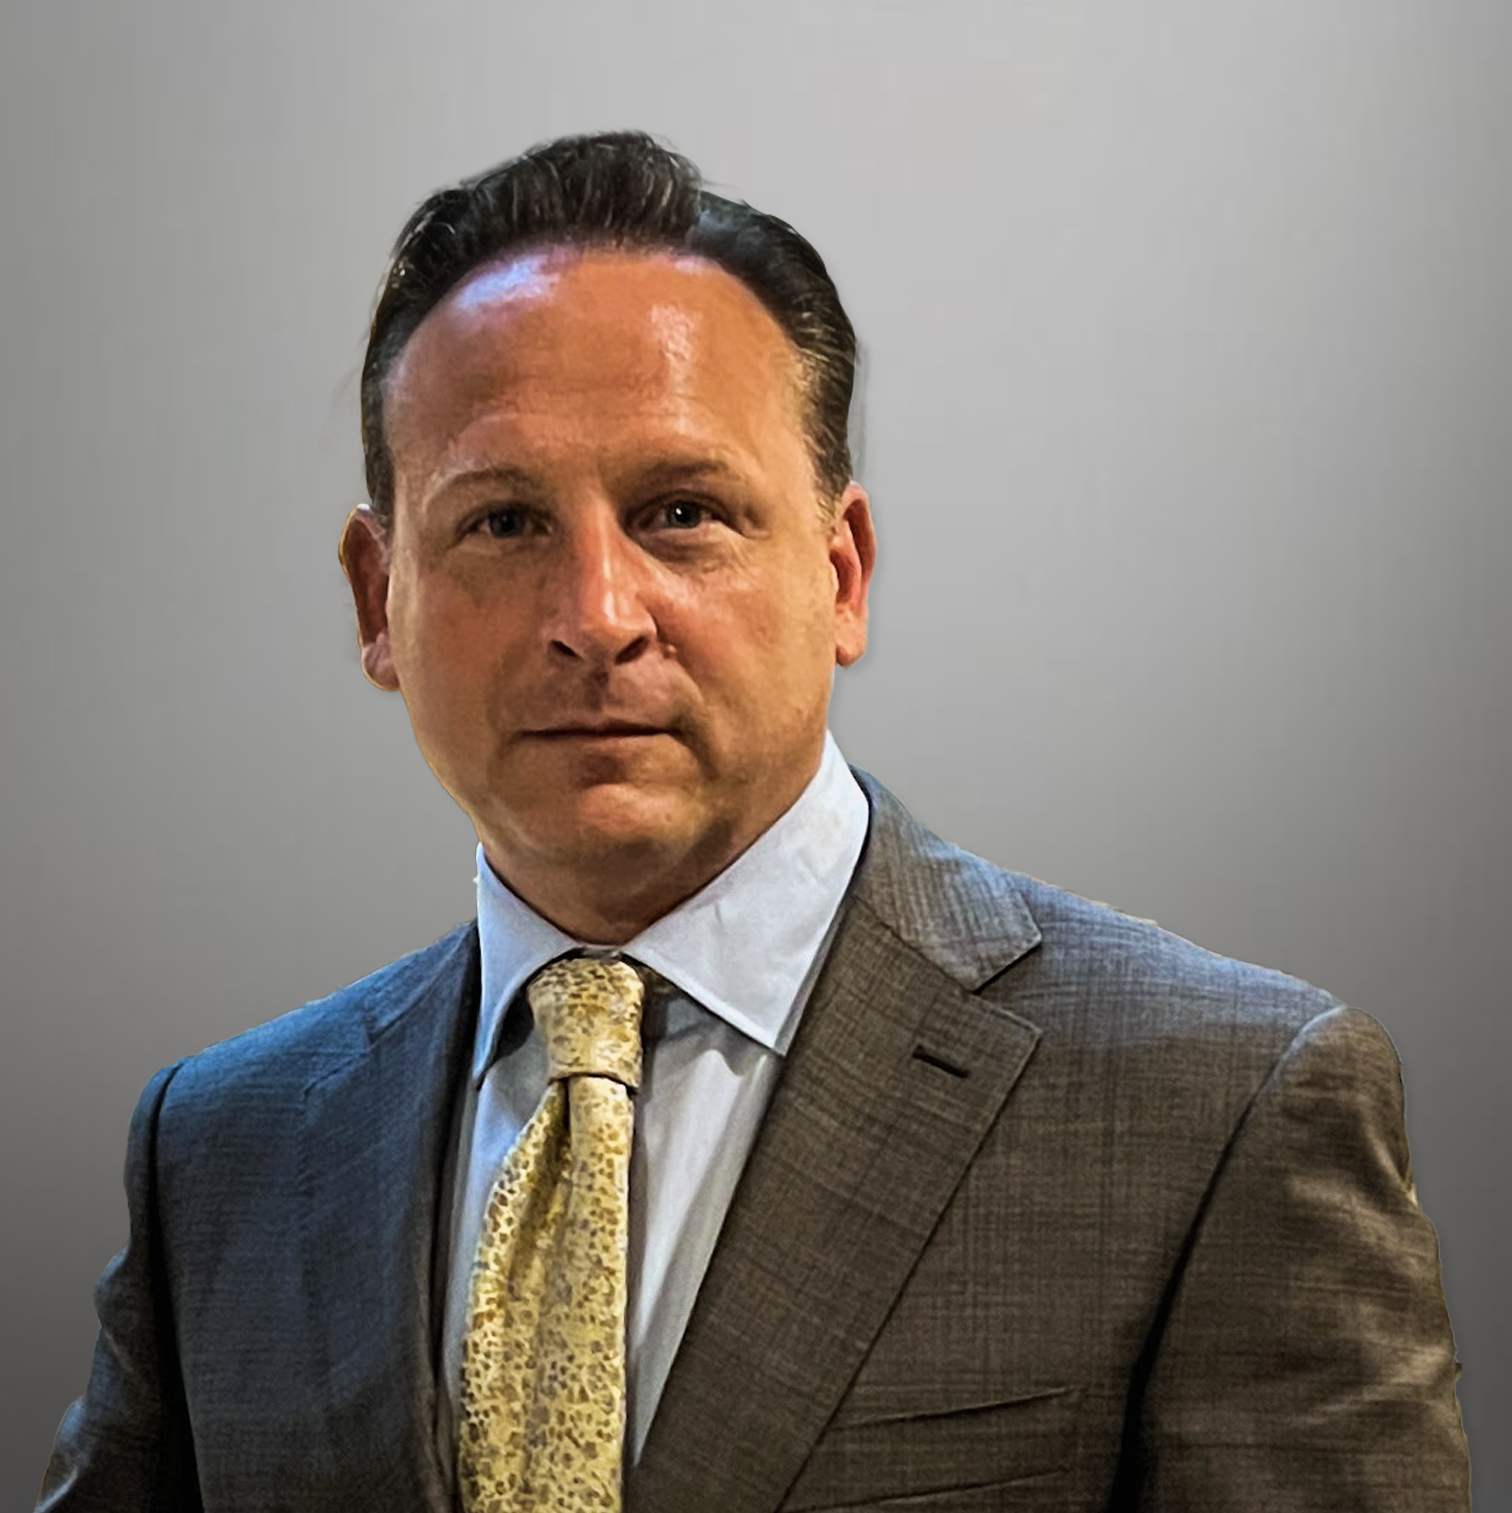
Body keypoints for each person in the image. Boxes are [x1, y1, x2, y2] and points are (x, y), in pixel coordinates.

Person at [39, 130, 1469, 1512]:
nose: (596, 618)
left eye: (679, 512)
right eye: (503, 524)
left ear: (841, 576)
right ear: (377, 602)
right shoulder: (223, 1150)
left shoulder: (1219, 1110)